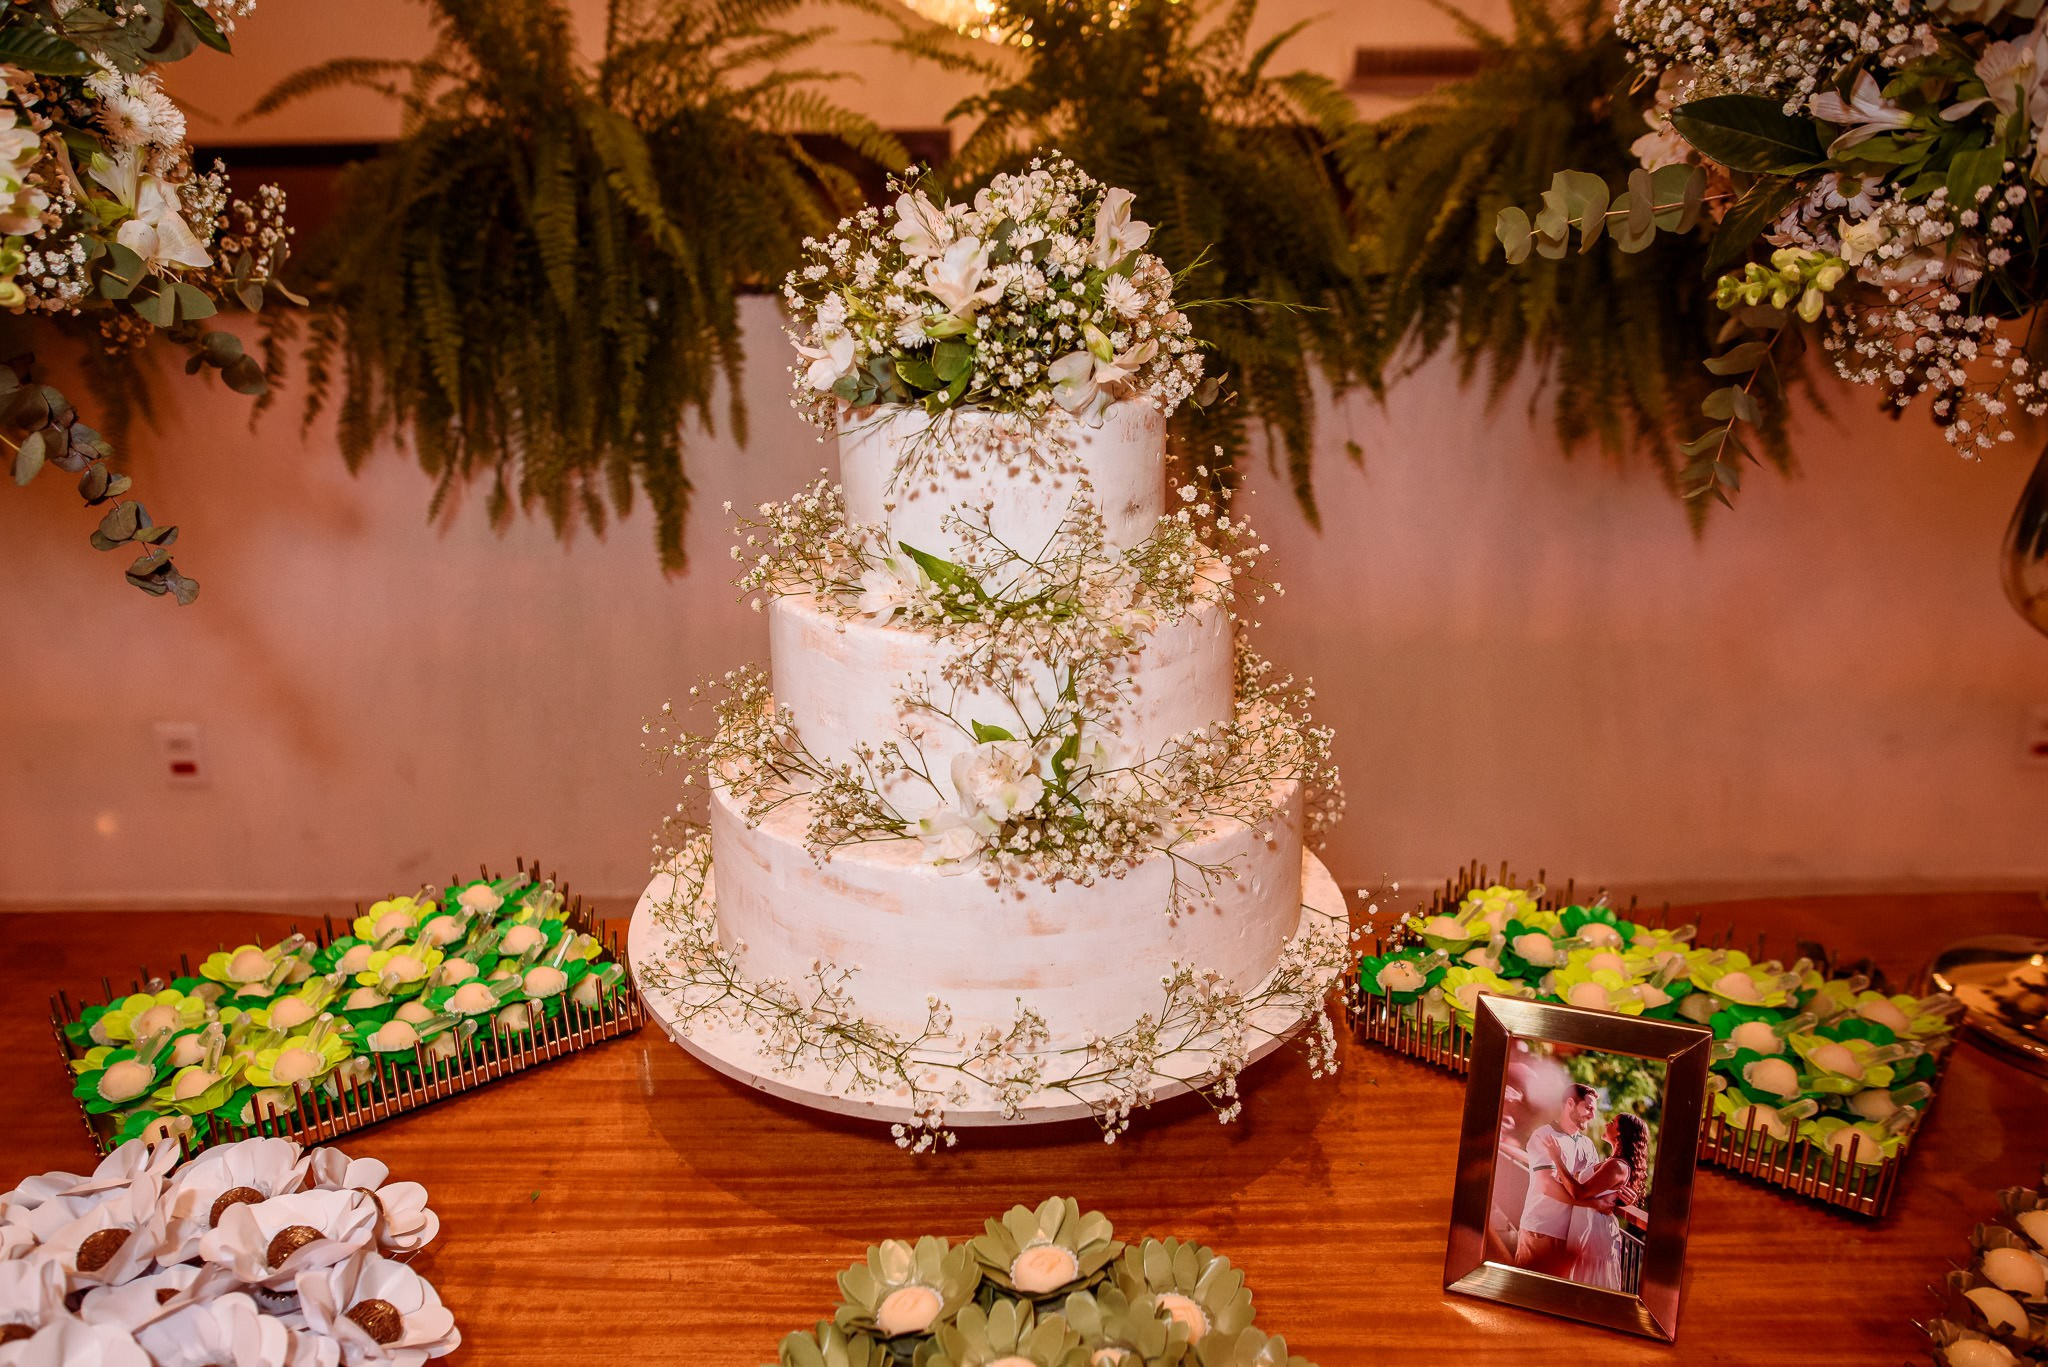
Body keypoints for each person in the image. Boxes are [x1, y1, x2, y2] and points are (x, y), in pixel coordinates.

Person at [1513, 1083, 1602, 1277]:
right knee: (1527, 1293)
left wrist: (1622, 1196)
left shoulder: (1587, 1145)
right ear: (1570, 1103)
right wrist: (1591, 1202)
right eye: (1588, 1108)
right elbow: (1547, 1185)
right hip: (1541, 1231)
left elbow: (1596, 1185)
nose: (1592, 1115)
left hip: (1572, 1237)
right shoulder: (1543, 1135)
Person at [1562, 1111, 1651, 1291]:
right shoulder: (1611, 1162)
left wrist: (1557, 1160)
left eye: (1612, 1122)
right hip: (1586, 1227)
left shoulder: (1617, 1166)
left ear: (1620, 1133)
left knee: (1588, 1288)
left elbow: (1580, 1192)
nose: (1606, 1124)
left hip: (1595, 1233)